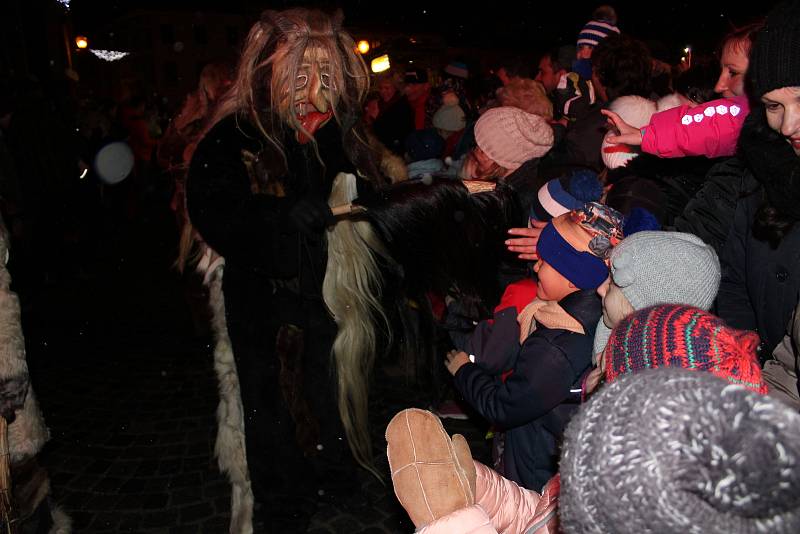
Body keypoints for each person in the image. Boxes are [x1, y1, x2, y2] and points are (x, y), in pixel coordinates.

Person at [185, 8, 403, 529]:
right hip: (264, 296)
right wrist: (278, 214)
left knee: (332, 389)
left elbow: (373, 185)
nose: (313, 89)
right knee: (272, 403)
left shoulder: (342, 132)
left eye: (324, 76)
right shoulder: (239, 135)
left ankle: (337, 475)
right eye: (300, 76)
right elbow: (213, 207)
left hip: (326, 294)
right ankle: (284, 500)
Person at [445, 203, 623, 491]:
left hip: (534, 474)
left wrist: (464, 372)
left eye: (545, 261)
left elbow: (504, 406)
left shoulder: (557, 345)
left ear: (571, 277)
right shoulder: (582, 313)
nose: (536, 267)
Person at [716, 0, 800, 356]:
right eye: (773, 106)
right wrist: (746, 357)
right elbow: (735, 280)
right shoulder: (762, 173)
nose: (788, 126)